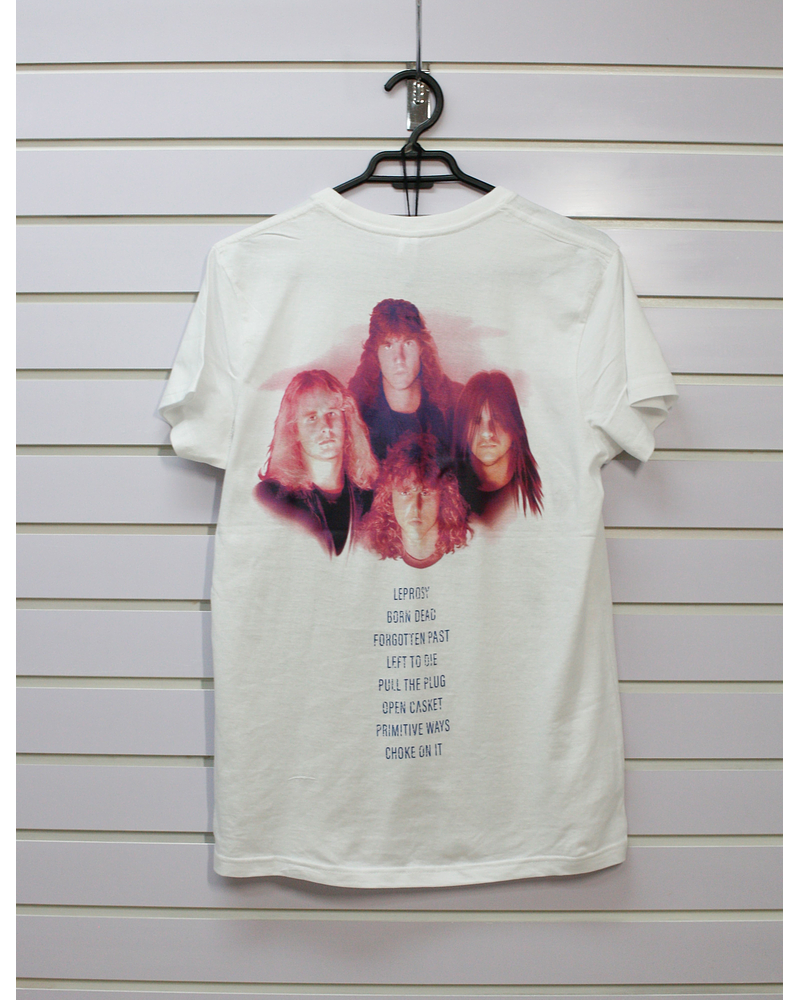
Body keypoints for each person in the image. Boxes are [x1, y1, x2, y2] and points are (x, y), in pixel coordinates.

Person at [255, 370, 378, 555]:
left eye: (332, 413)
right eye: (312, 418)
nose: (325, 427)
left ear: (346, 421)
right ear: (294, 429)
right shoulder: (271, 498)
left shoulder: (371, 497)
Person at [348, 299, 462, 461]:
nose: (399, 358)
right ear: (375, 353)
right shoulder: (356, 410)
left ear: (421, 347)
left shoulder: (455, 402)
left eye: (408, 343)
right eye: (388, 346)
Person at [360, 432, 470, 569]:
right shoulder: (366, 554)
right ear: (389, 498)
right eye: (405, 492)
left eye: (425, 493)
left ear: (443, 497)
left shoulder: (473, 545)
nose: (416, 506)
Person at [452, 370, 543, 525]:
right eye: (476, 421)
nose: (487, 433)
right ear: (463, 429)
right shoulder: (444, 493)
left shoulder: (542, 486)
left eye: (497, 419)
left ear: (515, 424)